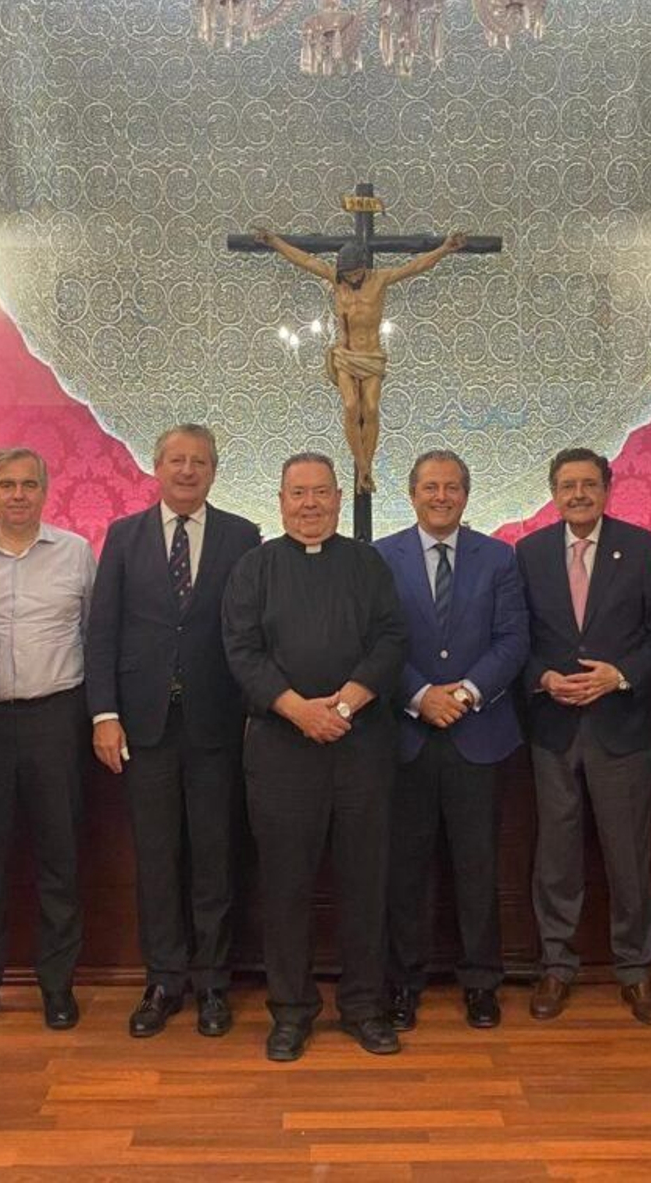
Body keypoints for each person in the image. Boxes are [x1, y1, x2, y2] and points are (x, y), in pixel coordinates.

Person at [222, 452, 407, 1061]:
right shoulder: (255, 568)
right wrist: (300, 710)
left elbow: (390, 639)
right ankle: (291, 1011)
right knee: (286, 886)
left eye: (321, 493)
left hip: (362, 749)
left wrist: (346, 705)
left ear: (335, 498)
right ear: (279, 501)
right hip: (281, 749)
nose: (310, 505)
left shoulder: (368, 563)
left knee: (366, 882)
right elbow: (242, 651)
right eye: (297, 493)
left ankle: (363, 1007)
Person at [86, 425, 261, 1038]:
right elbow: (101, 631)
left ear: (214, 471)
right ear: (156, 468)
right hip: (144, 727)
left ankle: (214, 983)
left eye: (200, 462)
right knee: (156, 859)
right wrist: (104, 714)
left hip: (218, 725)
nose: (188, 471)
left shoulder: (243, 536)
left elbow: (252, 634)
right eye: (177, 460)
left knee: (215, 859)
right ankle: (163, 980)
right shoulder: (124, 536)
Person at [516, 447, 651, 1025]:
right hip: (553, 728)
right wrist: (542, 677)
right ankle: (556, 966)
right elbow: (516, 635)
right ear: (552, 493)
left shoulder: (641, 548)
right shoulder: (528, 553)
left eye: (588, 484)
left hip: (621, 726)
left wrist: (620, 674)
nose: (578, 494)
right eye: (566, 485)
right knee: (555, 856)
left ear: (608, 488)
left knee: (628, 854)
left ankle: (635, 971)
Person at [375, 449, 527, 1031]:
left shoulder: (499, 558)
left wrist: (462, 693)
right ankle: (403, 983)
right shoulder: (380, 557)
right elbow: (377, 640)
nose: (441, 497)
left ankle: (482, 982)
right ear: (411, 494)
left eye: (452, 487)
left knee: (477, 866)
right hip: (405, 737)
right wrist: (419, 696)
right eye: (430, 487)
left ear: (467, 494)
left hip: (478, 733)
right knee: (404, 868)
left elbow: (513, 640)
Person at [0, 449, 95, 1035]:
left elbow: (94, 634)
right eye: (6, 484)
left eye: (29, 484)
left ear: (45, 489)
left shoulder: (76, 554)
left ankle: (58, 986)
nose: (17, 495)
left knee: (61, 858)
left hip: (56, 717)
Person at [251, 226, 466, 493]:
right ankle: (362, 467)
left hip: (371, 355)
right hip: (345, 354)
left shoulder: (380, 279)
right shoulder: (335, 278)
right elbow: (304, 260)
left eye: (354, 273)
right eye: (347, 273)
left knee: (372, 408)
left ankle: (367, 467)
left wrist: (444, 249)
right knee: (352, 406)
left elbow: (417, 266)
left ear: (364, 267)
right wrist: (273, 241)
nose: (350, 278)